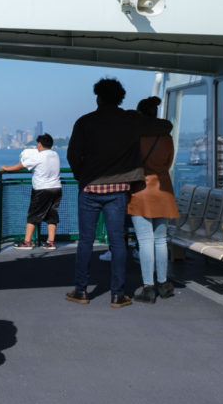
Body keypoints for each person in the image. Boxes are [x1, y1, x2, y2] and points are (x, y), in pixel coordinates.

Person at [65, 78, 171, 308]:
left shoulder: (85, 122)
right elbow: (165, 127)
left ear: (98, 98)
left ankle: (81, 291)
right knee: (117, 242)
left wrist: (81, 176)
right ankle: (118, 294)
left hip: (90, 189)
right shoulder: (130, 121)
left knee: (85, 241)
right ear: (120, 98)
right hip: (118, 191)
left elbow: (73, 156)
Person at [126, 97, 178, 303]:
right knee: (161, 239)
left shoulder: (135, 137)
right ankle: (164, 283)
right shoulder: (166, 137)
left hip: (140, 190)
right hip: (163, 190)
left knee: (145, 240)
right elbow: (168, 162)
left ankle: (148, 286)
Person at [1, 133, 62, 249]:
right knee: (52, 215)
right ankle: (51, 242)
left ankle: (27, 242)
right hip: (56, 188)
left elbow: (21, 165)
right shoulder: (55, 154)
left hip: (42, 190)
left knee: (33, 214)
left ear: (39, 145)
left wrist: (6, 168)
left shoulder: (38, 157)